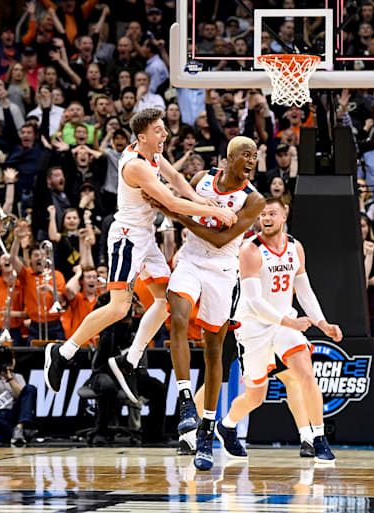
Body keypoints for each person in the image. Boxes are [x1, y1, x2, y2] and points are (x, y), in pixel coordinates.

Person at [43, 108, 237, 393]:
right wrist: (212, 211)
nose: (165, 133)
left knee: (165, 300)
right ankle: (63, 353)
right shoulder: (135, 165)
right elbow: (172, 203)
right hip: (127, 237)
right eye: (159, 130)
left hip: (146, 237)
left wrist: (201, 200)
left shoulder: (153, 154)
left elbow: (177, 180)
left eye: (163, 129)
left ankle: (129, 361)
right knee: (119, 307)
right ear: (142, 136)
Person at [139, 136, 264, 471]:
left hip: (223, 270)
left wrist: (177, 215)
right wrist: (167, 203)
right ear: (230, 157)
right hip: (191, 260)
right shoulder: (202, 180)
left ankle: (208, 429)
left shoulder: (253, 200)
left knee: (213, 350)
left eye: (255, 156)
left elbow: (222, 237)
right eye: (246, 155)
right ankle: (184, 401)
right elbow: (179, 201)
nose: (252, 161)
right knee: (176, 318)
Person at [216, 197, 341, 465]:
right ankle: (226, 426)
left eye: (272, 213)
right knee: (255, 396)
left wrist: (322, 323)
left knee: (306, 372)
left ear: (284, 217)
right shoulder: (250, 250)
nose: (266, 218)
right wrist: (289, 322)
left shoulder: (296, 247)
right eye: (262, 215)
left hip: (285, 325)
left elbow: (304, 289)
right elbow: (253, 302)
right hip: (253, 327)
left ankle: (318, 438)